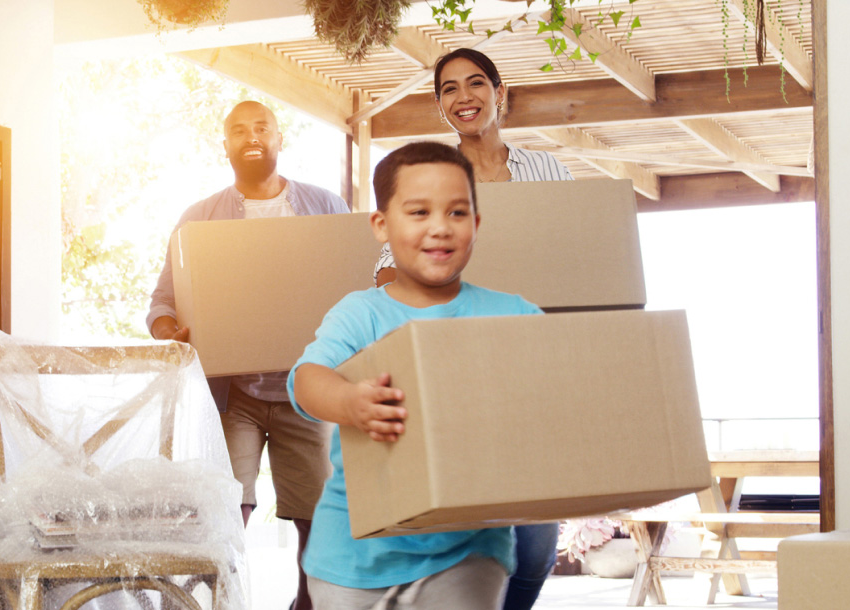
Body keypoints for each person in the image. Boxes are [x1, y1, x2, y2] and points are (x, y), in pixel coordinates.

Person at [288, 141, 543, 609]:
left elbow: (558, 394)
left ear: (477, 224)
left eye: (458, 213)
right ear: (382, 226)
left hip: (466, 553)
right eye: (419, 212)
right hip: (352, 556)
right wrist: (349, 403)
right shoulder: (360, 314)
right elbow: (307, 379)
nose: (440, 229)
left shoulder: (514, 315)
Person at [372, 48, 570, 610]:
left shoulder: (549, 171)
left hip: (528, 364)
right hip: (453, 365)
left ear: (499, 92)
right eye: (450, 89)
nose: (464, 97)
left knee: (534, 548)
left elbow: (578, 255)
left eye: (476, 83)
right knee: (463, 540)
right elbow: (385, 269)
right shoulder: (427, 174)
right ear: (440, 106)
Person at [147, 100, 351, 610]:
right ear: (226, 146)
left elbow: (357, 284)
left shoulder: (326, 207)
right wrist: (170, 330)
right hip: (233, 394)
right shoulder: (197, 219)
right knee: (224, 511)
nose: (251, 136)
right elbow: (162, 302)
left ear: (281, 139)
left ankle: (308, 604)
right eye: (239, 130)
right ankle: (219, 602)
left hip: (305, 390)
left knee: (318, 516)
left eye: (262, 127)